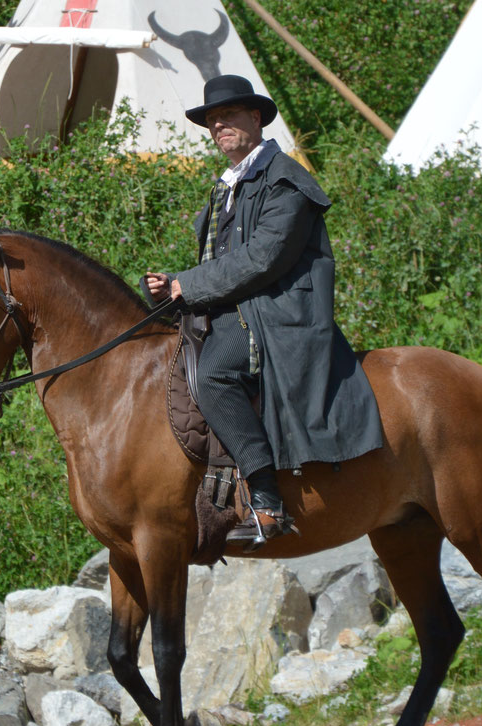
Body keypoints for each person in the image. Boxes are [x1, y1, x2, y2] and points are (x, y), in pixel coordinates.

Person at [145, 75, 381, 548]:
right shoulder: (227, 188)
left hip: (277, 311)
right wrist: (172, 282)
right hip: (239, 305)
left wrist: (186, 284)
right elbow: (222, 263)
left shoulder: (286, 181)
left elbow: (262, 259)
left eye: (228, 115)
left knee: (212, 374)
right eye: (212, 120)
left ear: (256, 118)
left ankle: (267, 500)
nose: (219, 125)